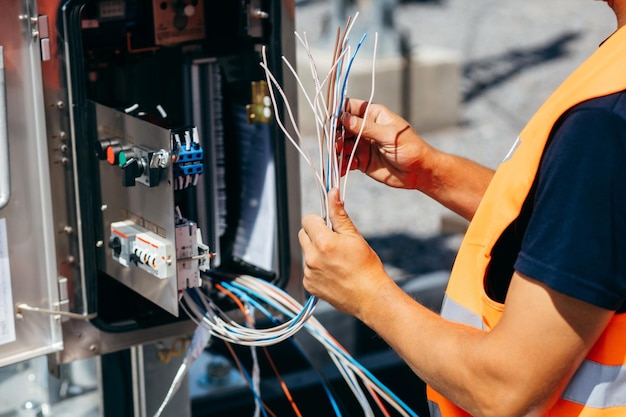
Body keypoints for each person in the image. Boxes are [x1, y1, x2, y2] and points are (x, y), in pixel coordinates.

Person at [298, 1, 626, 416]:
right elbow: (587, 230)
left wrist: (366, 292)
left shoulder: (606, 122)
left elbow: (506, 390)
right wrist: (432, 173)